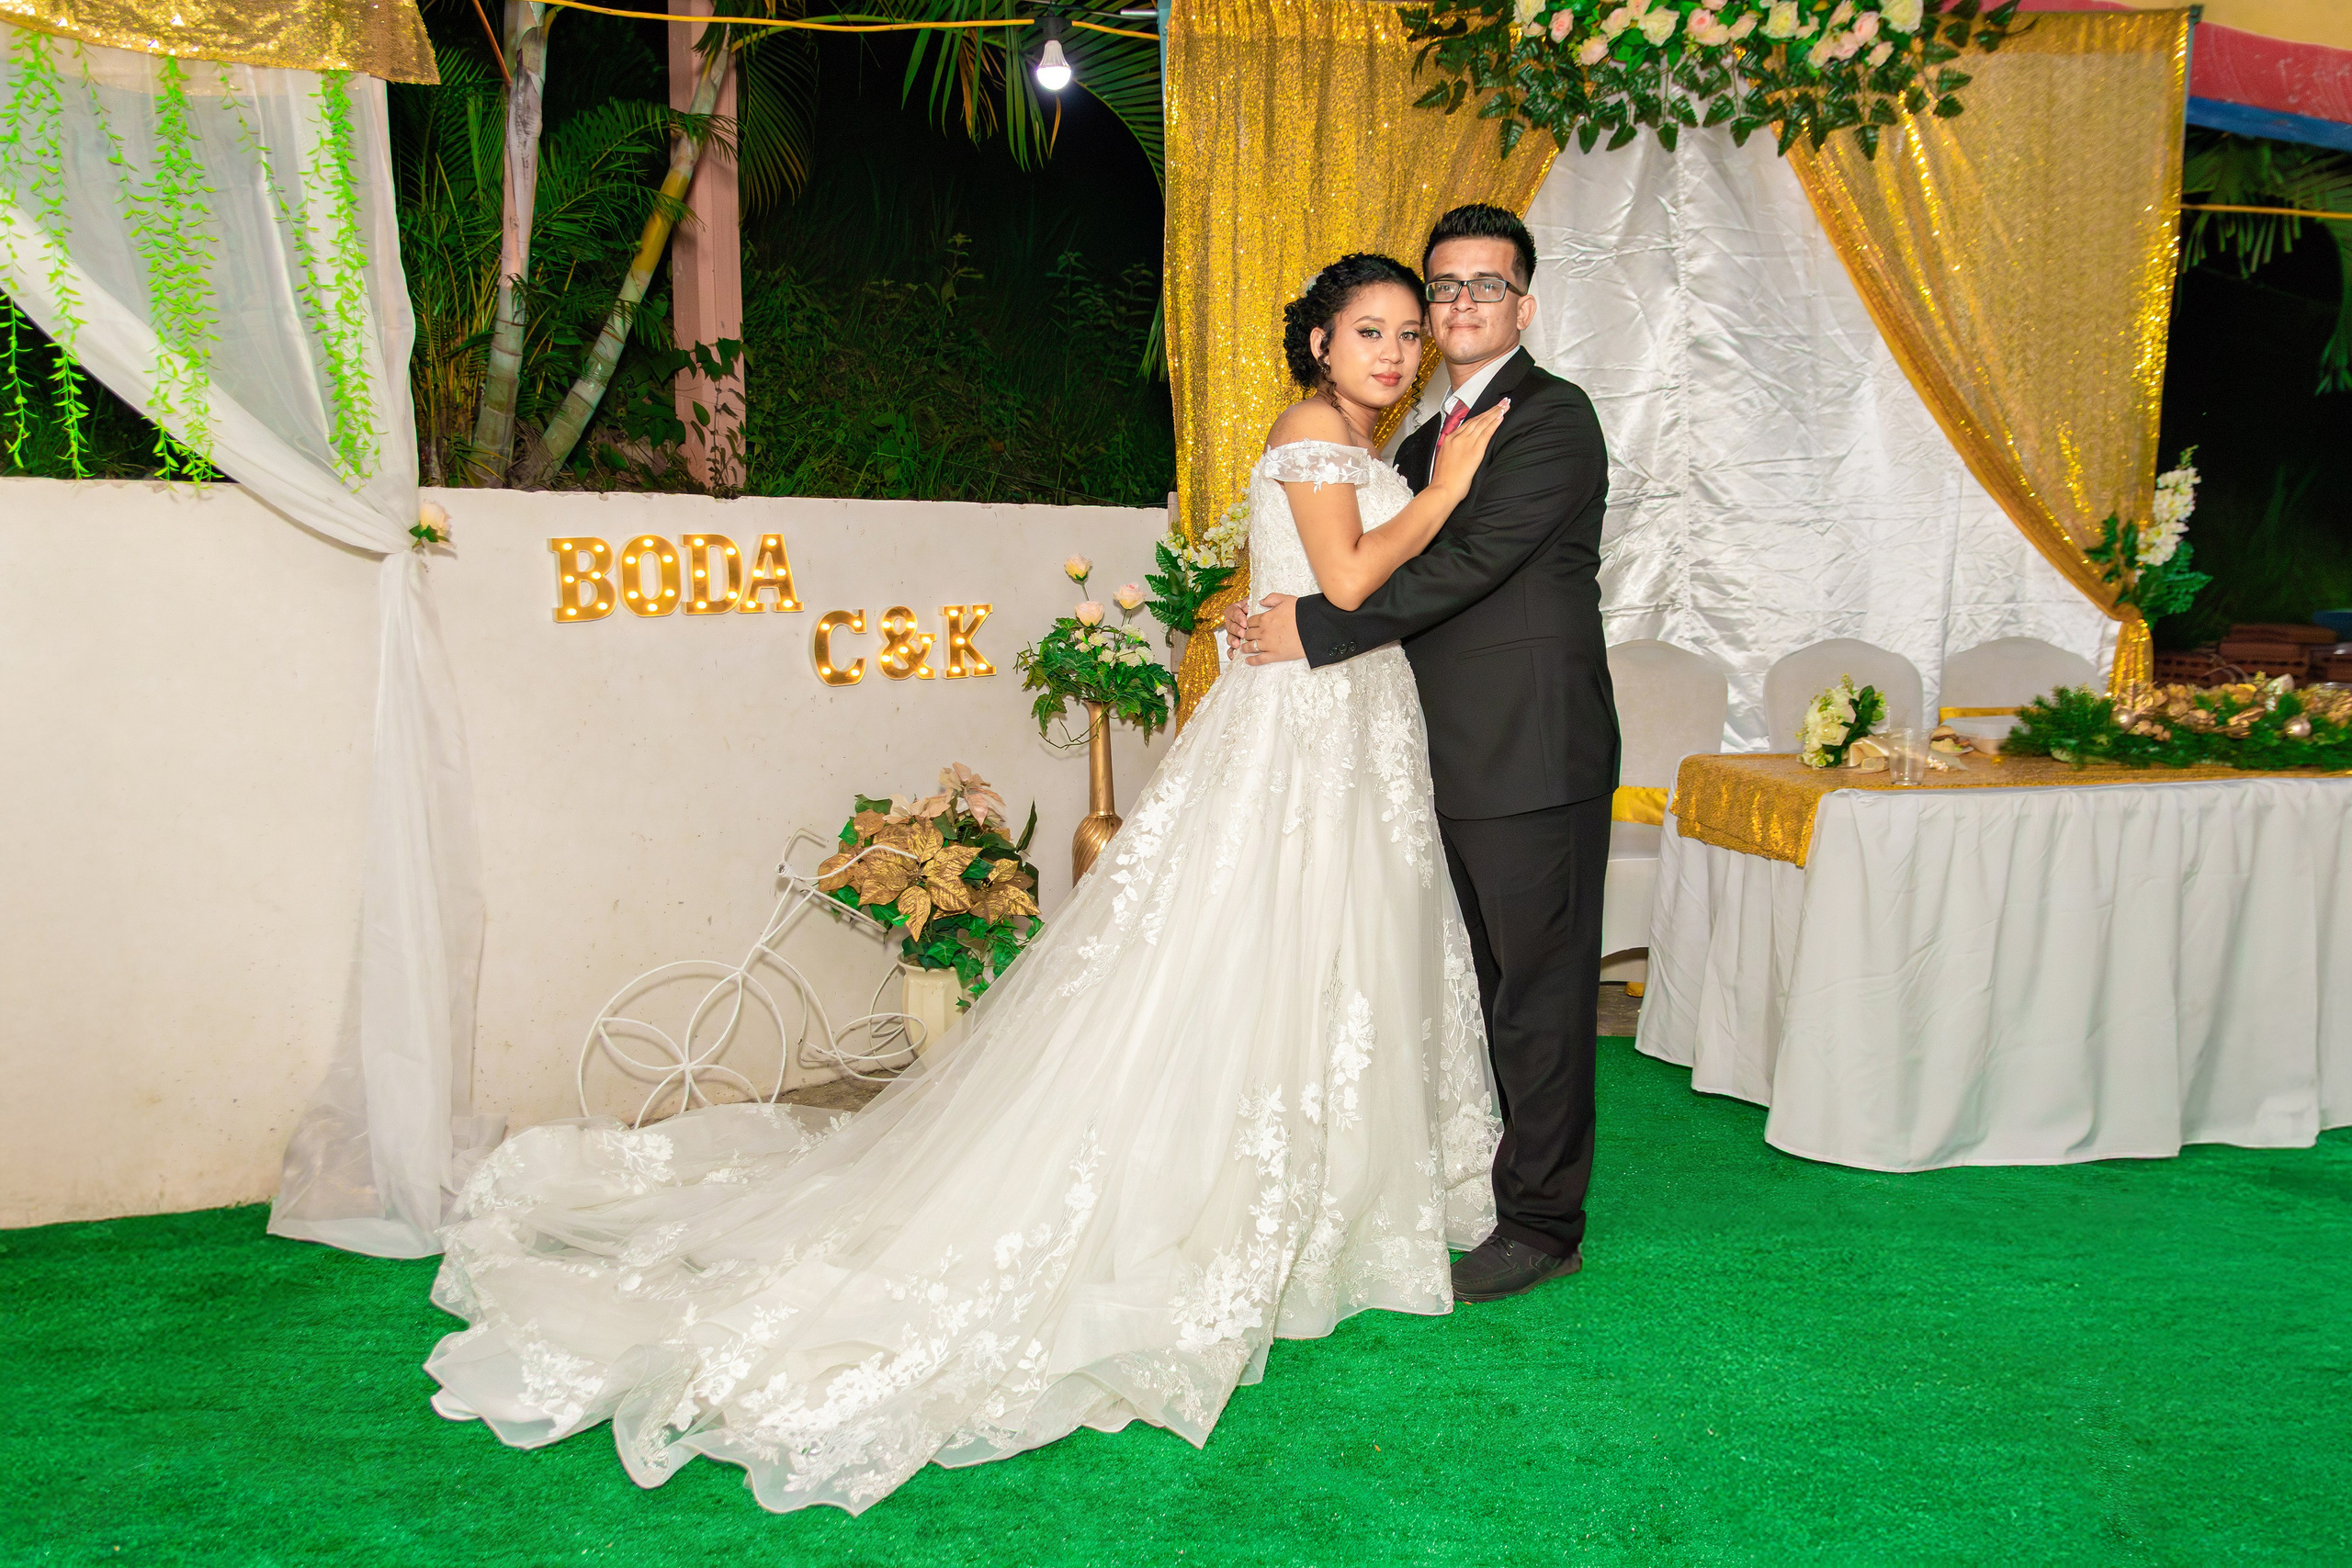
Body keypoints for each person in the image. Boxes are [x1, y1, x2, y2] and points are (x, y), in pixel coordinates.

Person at [422, 252, 1511, 1515]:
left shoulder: (1361, 438)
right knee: (1260, 942)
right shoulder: (1320, 433)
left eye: (1401, 333)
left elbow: (1340, 592)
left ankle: (1338, 1200)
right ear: (1316, 343)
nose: (1388, 350)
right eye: (1363, 331)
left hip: (1347, 713)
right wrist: (1450, 487)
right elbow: (1355, 577)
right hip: (1305, 731)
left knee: (1337, 947)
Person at [1229, 203, 1618, 1305]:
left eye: (1481, 288)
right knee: (1463, 985)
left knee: (1535, 992)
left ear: (1523, 305)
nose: (1454, 308)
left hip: (1526, 748)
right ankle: (1478, 1177)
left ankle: (1542, 1222)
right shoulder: (1409, 438)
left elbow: (1475, 560)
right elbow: (1360, 548)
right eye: (1440, 289)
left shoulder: (1551, 418)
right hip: (1410, 753)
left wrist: (1310, 626)